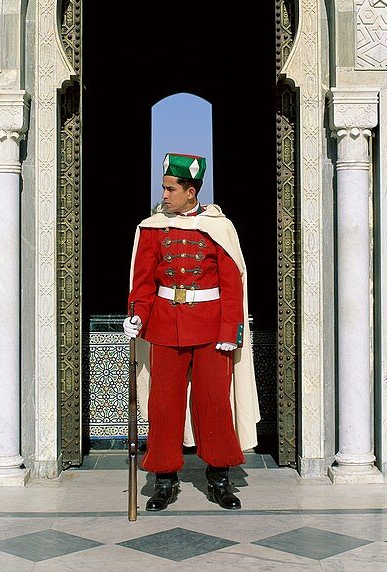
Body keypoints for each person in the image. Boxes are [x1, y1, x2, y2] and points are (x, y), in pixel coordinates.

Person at [123, 152, 259, 511]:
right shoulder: (152, 227)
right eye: (164, 188)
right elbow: (143, 282)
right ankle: (164, 479)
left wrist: (231, 329)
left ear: (191, 191)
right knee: (164, 404)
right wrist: (137, 314)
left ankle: (218, 477)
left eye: (170, 189)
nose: (164, 195)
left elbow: (233, 285)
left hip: (212, 329)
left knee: (213, 402)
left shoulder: (219, 227)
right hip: (166, 326)